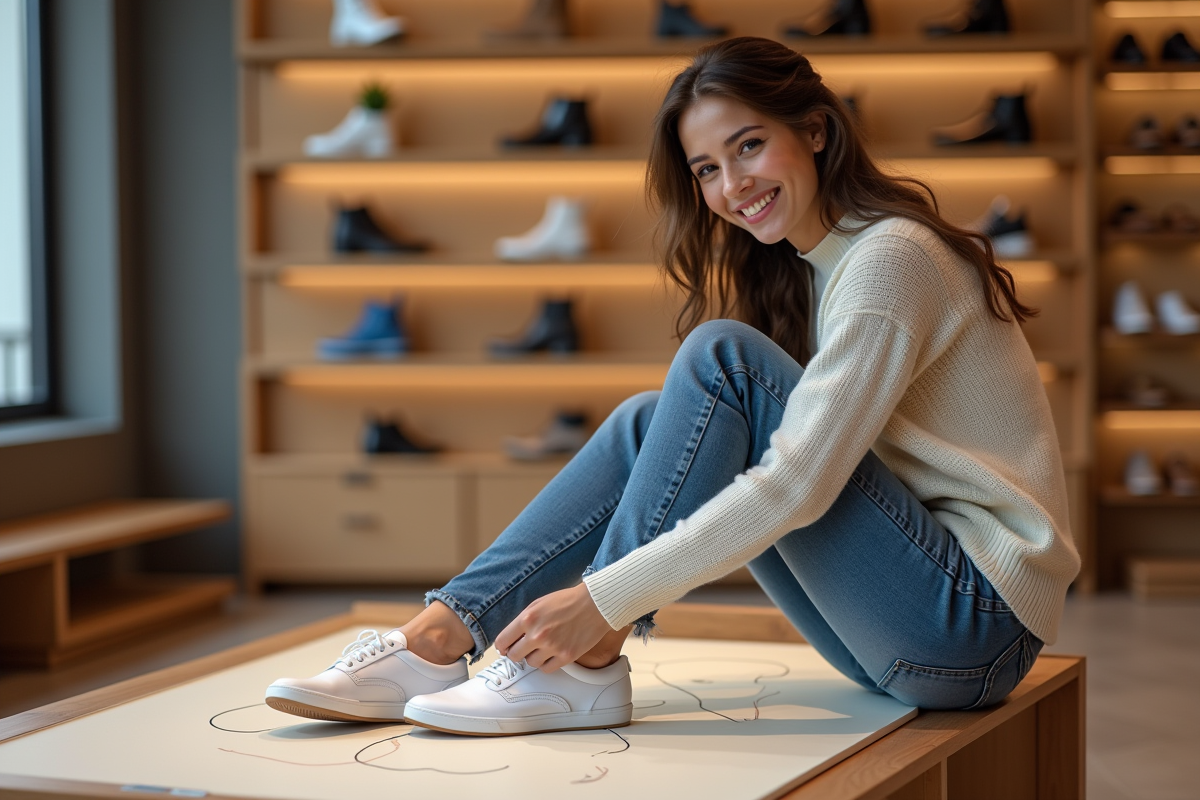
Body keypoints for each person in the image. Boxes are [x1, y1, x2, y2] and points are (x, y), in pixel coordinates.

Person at [264, 36, 1080, 735]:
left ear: (817, 130)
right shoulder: (818, 273)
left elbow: (799, 484)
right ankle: (439, 638)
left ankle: (587, 660)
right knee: (650, 419)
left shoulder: (889, 259)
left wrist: (604, 598)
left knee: (723, 357)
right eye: (707, 168)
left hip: (974, 630)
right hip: (914, 626)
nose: (732, 186)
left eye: (750, 146)